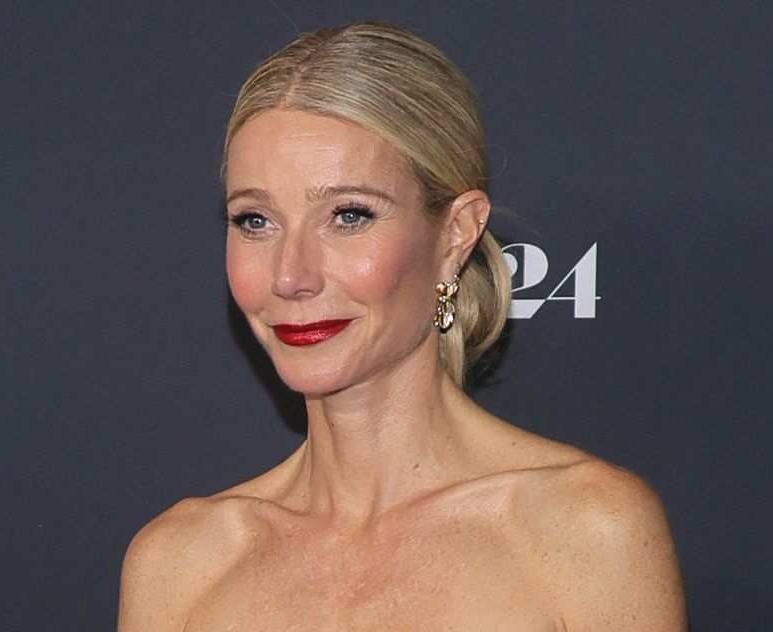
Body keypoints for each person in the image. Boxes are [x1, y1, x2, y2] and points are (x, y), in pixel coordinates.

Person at [119, 21, 685, 631]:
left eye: (348, 215)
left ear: (455, 234)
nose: (290, 275)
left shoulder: (584, 530)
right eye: (255, 220)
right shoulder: (182, 563)